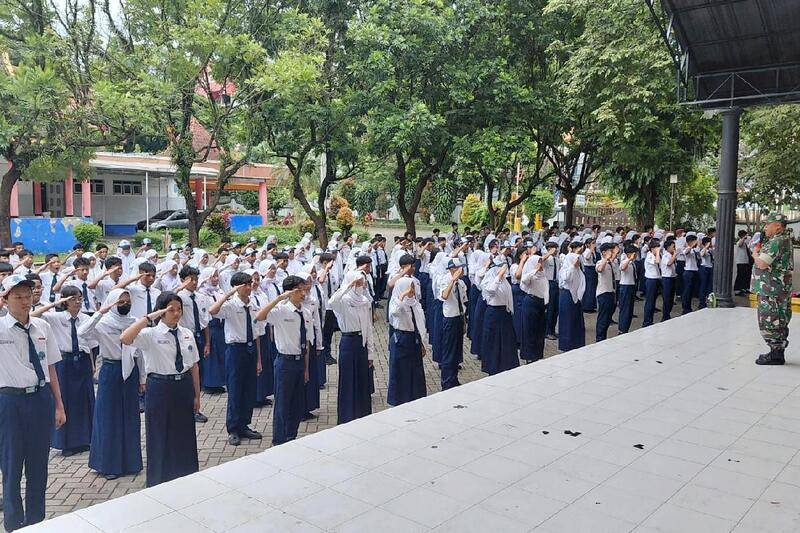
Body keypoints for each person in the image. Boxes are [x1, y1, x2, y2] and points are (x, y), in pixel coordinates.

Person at [0, 274, 66, 531]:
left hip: (40, 399)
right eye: (18, 297)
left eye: (28, 296)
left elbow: (50, 368)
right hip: (9, 402)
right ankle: (14, 523)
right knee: (11, 464)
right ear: (5, 300)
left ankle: (36, 521)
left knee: (38, 465)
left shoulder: (42, 328)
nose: (25, 301)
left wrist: (59, 405)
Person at [121, 292, 201, 487]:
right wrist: (149, 317)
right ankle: (158, 479)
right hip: (160, 387)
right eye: (171, 310)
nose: (176, 313)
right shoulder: (150, 334)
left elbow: (194, 366)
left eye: (179, 309)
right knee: (159, 432)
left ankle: (186, 473)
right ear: (161, 311)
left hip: (182, 385)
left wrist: (197, 395)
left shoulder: (186, 333)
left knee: (184, 432)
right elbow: (125, 338)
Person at [80, 289, 142, 480]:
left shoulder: (134, 322)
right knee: (109, 417)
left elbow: (141, 353)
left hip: (131, 370)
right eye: (120, 302)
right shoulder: (103, 323)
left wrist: (143, 380)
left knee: (130, 416)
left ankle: (131, 462)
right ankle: (108, 464)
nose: (125, 304)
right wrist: (100, 312)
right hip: (111, 370)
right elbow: (81, 332)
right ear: (112, 302)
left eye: (127, 301)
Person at [32, 287, 94, 457]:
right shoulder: (55, 317)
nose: (78, 302)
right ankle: (67, 443)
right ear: (65, 301)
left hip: (82, 360)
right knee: (65, 399)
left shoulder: (85, 318)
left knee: (84, 400)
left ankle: (85, 439)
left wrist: (92, 364)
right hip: (64, 362)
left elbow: (89, 344)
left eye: (80, 298)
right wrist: (56, 304)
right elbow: (35, 315)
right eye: (73, 299)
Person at [209, 272, 263, 446]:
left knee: (248, 389)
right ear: (237, 287)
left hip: (250, 349)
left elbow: (257, 335)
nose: (249, 287)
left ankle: (244, 425)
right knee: (235, 389)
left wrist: (259, 359)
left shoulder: (253, 305)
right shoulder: (230, 306)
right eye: (245, 284)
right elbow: (212, 311)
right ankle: (233, 428)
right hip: (235, 351)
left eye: (250, 283)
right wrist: (228, 294)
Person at [255, 276, 311, 444]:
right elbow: (259, 316)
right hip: (285, 362)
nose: (303, 293)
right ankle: (279, 439)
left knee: (297, 402)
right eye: (299, 290)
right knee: (282, 403)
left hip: (300, 361)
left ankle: (291, 435)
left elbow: (306, 342)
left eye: (304, 289)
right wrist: (280, 298)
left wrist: (306, 368)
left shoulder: (305, 311)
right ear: (290, 291)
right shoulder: (281, 310)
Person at [329, 268, 374, 425]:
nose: (360, 286)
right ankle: (347, 416)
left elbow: (369, 328)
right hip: (348, 342)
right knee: (348, 380)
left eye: (362, 283)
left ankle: (362, 413)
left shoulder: (364, 301)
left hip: (361, 343)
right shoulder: (344, 301)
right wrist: (347, 286)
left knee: (362, 380)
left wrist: (370, 353)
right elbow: (331, 302)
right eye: (358, 283)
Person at [753, 212, 794, 365]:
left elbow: (762, 263)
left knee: (770, 318)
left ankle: (775, 353)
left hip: (771, 289)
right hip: (778, 288)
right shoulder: (785, 239)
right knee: (780, 318)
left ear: (777, 225)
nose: (764, 228)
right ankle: (777, 352)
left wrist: (755, 253)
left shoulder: (777, 241)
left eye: (767, 224)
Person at [176, 265, 211, 423]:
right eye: (191, 279)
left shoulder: (201, 297)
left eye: (197, 279)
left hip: (198, 337)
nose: (195, 282)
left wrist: (207, 343)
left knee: (198, 373)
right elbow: (167, 298)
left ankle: (195, 407)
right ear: (183, 280)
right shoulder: (179, 297)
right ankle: (186, 408)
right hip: (184, 337)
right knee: (187, 373)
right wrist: (180, 287)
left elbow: (205, 322)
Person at [387, 276, 427, 405]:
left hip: (414, 339)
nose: (412, 291)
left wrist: (422, 342)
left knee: (415, 372)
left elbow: (420, 323)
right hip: (401, 340)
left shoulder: (415, 303)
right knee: (401, 372)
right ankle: (399, 399)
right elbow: (394, 312)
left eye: (413, 288)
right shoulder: (396, 302)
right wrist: (402, 296)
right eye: (410, 288)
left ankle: (415, 397)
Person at [480, 255, 519, 375]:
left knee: (507, 340)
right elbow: (491, 290)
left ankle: (507, 365)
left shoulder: (504, 280)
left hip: (504, 313)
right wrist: (498, 276)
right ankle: (493, 367)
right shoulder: (489, 279)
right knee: (494, 341)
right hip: (493, 313)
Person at [437, 258, 468, 388]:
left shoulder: (461, 283)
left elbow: (463, 302)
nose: (463, 270)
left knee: (456, 351)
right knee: (449, 351)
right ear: (453, 269)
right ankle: (446, 381)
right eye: (460, 268)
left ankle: (454, 379)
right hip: (449, 318)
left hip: (459, 318)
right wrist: (452, 280)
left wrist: (464, 321)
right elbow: (444, 295)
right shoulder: (445, 280)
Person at [519, 249, 548, 362]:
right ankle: (529, 356)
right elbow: (524, 281)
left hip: (541, 303)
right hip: (531, 302)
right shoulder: (531, 273)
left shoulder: (542, 273)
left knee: (540, 330)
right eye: (539, 261)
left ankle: (538, 354)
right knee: (529, 330)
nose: (541, 264)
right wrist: (534, 271)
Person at [558, 243, 586, 351]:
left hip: (576, 297)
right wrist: (572, 266)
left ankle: (577, 343)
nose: (578, 262)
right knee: (567, 321)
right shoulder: (565, 268)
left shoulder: (578, 270)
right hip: (567, 296)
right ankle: (566, 345)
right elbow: (566, 278)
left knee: (576, 321)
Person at [595, 243, 616, 341]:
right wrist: (605, 258)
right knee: (603, 318)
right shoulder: (600, 262)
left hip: (611, 292)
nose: (611, 253)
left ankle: (604, 337)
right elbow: (599, 269)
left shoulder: (610, 263)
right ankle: (600, 339)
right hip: (603, 293)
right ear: (603, 252)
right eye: (610, 251)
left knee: (608, 318)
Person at [542, 240, 560, 340]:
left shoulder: (556, 259)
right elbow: (541, 260)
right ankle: (547, 331)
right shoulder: (546, 258)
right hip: (548, 283)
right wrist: (548, 253)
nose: (556, 250)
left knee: (556, 309)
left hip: (555, 283)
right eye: (554, 248)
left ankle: (553, 329)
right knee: (550, 308)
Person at [642, 239, 662, 327]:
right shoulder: (649, 255)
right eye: (657, 248)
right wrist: (657, 252)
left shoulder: (654, 255)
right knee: (649, 301)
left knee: (653, 300)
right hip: (651, 280)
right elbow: (657, 261)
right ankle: (647, 321)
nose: (659, 250)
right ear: (652, 248)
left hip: (656, 279)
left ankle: (650, 320)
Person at [681, 234, 699, 313]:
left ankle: (688, 307)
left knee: (691, 290)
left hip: (694, 271)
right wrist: (691, 246)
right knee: (687, 291)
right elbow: (686, 252)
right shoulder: (687, 249)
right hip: (688, 272)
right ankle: (685, 308)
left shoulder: (694, 250)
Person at [660, 239, 678, 321]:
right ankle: (665, 315)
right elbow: (669, 263)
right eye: (672, 247)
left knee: (671, 297)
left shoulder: (671, 255)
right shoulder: (665, 256)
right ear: (668, 247)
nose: (674, 248)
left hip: (672, 277)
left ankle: (668, 313)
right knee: (667, 298)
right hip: (667, 278)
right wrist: (675, 255)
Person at [734, 230, 753, 296]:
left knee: (745, 275)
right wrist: (743, 238)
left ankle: (743, 288)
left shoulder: (745, 243)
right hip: (740, 261)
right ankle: (737, 290)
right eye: (745, 235)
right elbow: (739, 244)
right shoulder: (739, 241)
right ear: (742, 235)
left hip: (745, 261)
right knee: (740, 275)